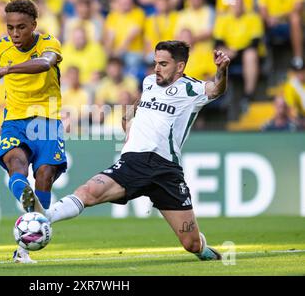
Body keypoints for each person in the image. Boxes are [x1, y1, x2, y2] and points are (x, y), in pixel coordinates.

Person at [26, 41, 230, 261]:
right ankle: (45, 216)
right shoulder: (149, 82)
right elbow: (134, 110)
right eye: (155, 63)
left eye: (163, 64)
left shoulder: (193, 89)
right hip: (134, 162)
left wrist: (222, 70)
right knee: (87, 192)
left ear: (180, 67)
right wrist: (128, 124)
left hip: (166, 169)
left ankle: (203, 250)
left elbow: (216, 88)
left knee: (191, 244)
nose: (157, 68)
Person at [0, 0, 66, 264]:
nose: (15, 33)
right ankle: (27, 200)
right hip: (15, 120)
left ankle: (24, 248)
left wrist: (6, 70)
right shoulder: (2, 45)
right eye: (10, 28)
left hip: (47, 119)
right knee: (15, 165)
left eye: (21, 27)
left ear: (34, 25)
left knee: (44, 175)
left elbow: (44, 64)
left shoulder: (49, 44)